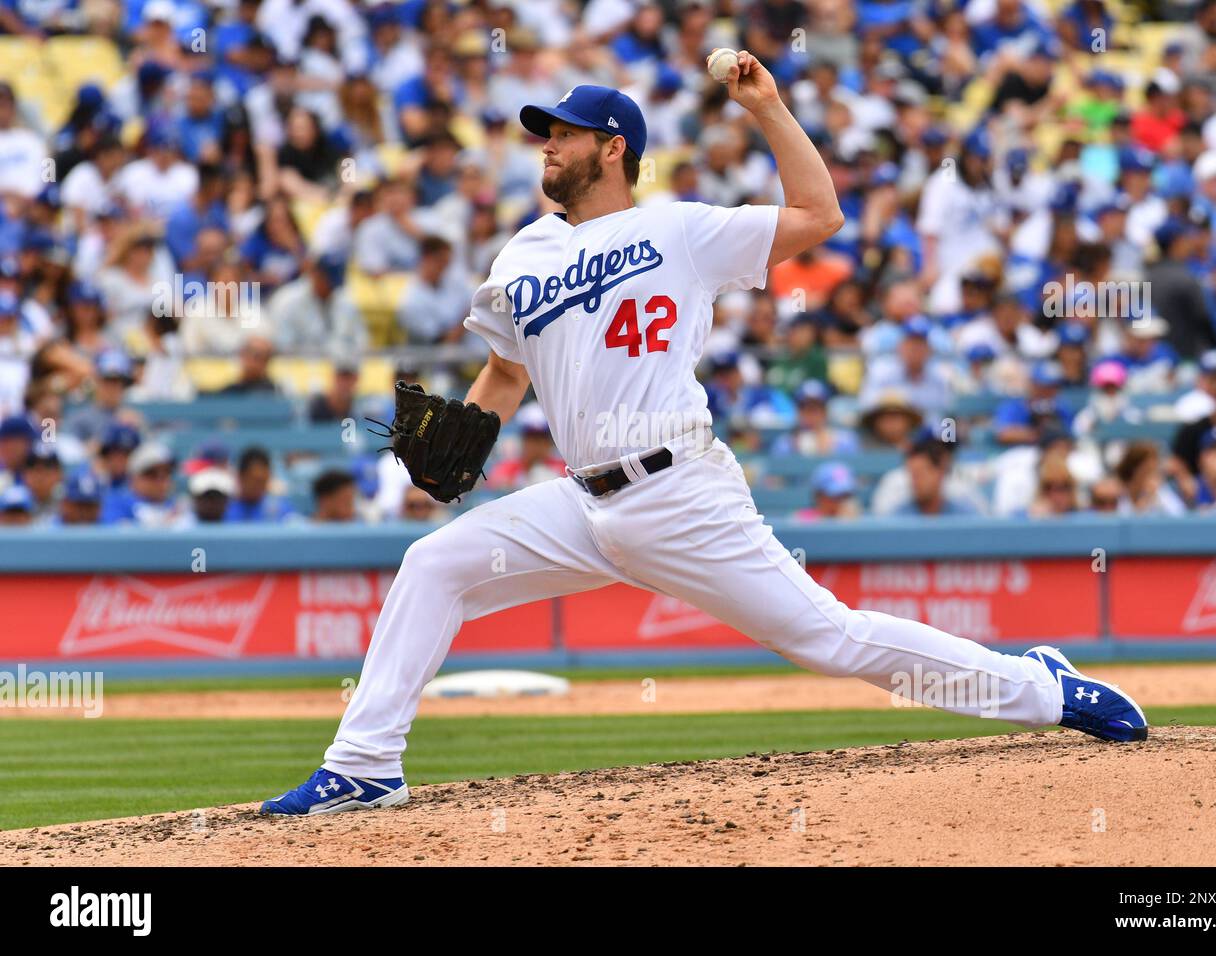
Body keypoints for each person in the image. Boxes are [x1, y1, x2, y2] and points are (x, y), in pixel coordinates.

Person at [261, 60, 1146, 816]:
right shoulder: (521, 254)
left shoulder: (679, 230)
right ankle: (365, 766)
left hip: (678, 491)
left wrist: (765, 107)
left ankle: (1044, 688)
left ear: (613, 148)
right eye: (544, 133)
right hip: (582, 501)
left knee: (827, 640)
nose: (548, 145)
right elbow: (503, 373)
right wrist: (464, 441)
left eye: (565, 133)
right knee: (435, 564)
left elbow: (818, 213)